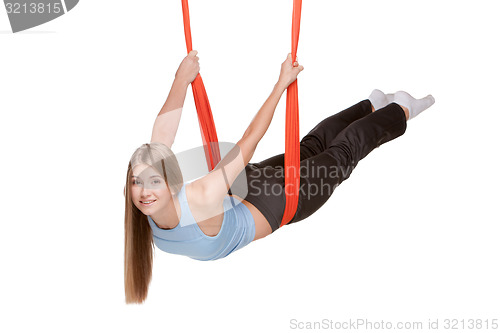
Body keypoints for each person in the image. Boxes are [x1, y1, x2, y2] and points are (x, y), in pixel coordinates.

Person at [123, 50, 435, 303]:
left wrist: (281, 84)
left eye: (154, 182)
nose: (145, 192)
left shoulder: (199, 196)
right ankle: (372, 105)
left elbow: (249, 140)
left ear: (171, 182)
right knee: (309, 149)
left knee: (340, 157)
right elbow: (162, 133)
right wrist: (182, 78)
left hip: (276, 200)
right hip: (245, 186)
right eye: (137, 182)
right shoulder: (143, 215)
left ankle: (400, 109)